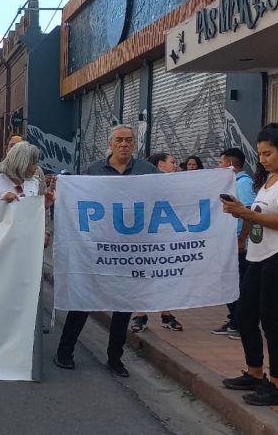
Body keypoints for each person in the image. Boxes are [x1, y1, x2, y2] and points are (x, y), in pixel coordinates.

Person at [53, 124, 159, 378]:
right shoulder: (93, 171)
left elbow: (166, 197)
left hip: (130, 252)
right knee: (83, 302)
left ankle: (115, 358)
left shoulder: (147, 171)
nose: (124, 144)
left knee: (123, 306)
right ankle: (64, 352)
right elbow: (78, 203)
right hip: (96, 251)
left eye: (129, 141)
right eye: (120, 140)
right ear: (110, 144)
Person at [221, 123, 278, 406]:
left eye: (268, 153)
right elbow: (260, 214)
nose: (262, 159)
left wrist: (245, 212)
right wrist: (241, 211)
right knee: (246, 315)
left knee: (272, 322)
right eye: (260, 153)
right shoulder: (269, 179)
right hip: (258, 257)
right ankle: (255, 372)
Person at [133, 152, 184, 332]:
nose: (176, 166)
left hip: (168, 237)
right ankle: (140, 314)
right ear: (160, 164)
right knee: (144, 276)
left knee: (166, 275)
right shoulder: (145, 184)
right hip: (146, 238)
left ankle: (166, 314)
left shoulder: (179, 185)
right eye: (173, 162)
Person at [212, 148, 257, 339]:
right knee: (229, 282)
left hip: (239, 243)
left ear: (230, 164)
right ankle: (235, 319)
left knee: (239, 284)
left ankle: (242, 324)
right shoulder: (231, 183)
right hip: (229, 241)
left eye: (221, 162)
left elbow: (248, 212)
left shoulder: (244, 184)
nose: (218, 166)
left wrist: (241, 239)